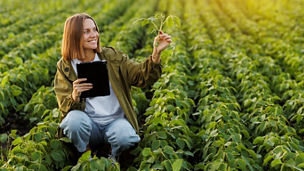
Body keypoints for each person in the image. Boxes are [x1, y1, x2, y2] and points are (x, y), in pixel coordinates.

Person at [53, 13, 172, 162]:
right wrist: (74, 97)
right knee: (73, 122)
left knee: (126, 137)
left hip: (115, 123)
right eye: (87, 31)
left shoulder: (110, 56)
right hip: (89, 126)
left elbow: (140, 77)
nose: (94, 35)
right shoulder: (65, 66)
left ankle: (112, 155)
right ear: (73, 36)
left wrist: (156, 54)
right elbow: (63, 107)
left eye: (95, 29)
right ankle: (85, 153)